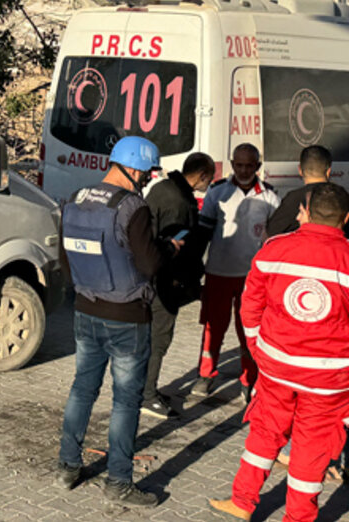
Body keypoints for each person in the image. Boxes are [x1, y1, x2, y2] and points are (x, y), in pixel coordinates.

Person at [208, 183, 349, 522]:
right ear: (346, 218)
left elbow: (251, 305)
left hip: (277, 368)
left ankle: (243, 502)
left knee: (264, 433)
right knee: (310, 451)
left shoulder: (274, 249)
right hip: (330, 380)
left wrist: (259, 348)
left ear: (305, 213)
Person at [53, 136, 180, 507]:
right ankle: (119, 482)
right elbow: (150, 264)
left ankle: (67, 468)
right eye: (148, 173)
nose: (148, 180)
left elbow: (65, 258)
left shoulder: (75, 198)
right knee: (125, 401)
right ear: (135, 168)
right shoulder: (132, 207)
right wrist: (171, 248)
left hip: (86, 311)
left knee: (82, 390)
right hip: (127, 318)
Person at [192, 143, 280, 399]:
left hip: (252, 278)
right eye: (239, 165)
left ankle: (249, 378)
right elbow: (203, 233)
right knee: (213, 327)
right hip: (218, 272)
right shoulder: (217, 192)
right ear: (232, 164)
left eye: (249, 165)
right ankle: (206, 374)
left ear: (258, 167)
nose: (243, 170)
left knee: (249, 330)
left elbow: (275, 241)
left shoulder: (270, 197)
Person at [141, 152, 215, 419]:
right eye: (211, 177)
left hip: (151, 277)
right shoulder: (180, 203)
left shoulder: (163, 187)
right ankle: (146, 395)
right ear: (202, 175)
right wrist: (184, 283)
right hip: (164, 282)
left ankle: (145, 389)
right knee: (159, 339)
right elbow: (176, 249)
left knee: (150, 338)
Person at [266, 145, 346, 237]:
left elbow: (271, 232)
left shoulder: (293, 198)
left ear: (300, 170)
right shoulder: (340, 197)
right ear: (328, 171)